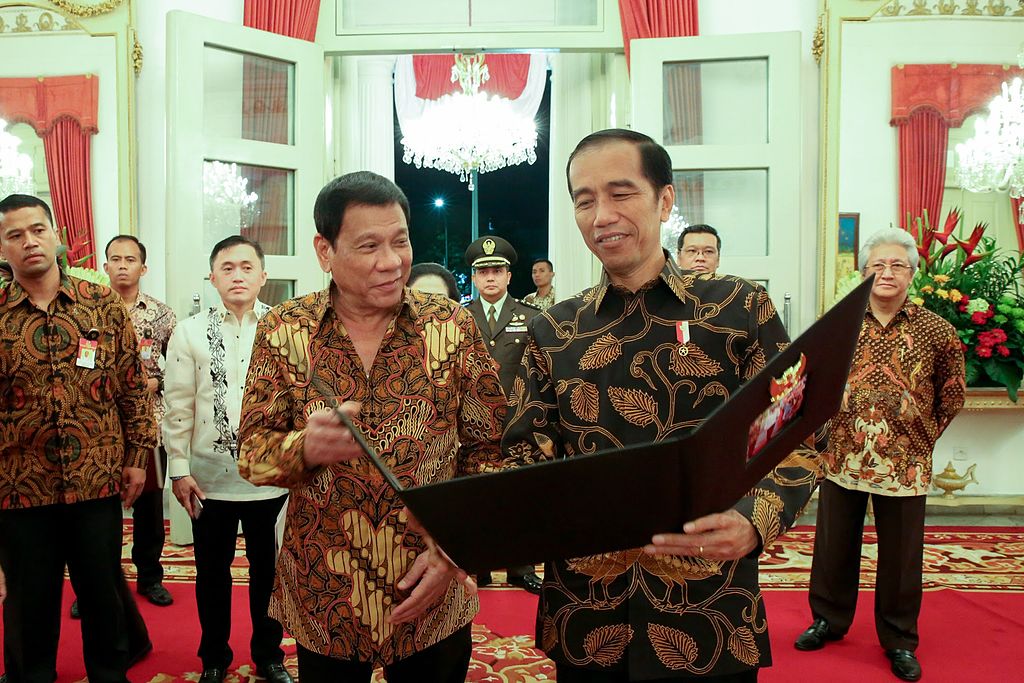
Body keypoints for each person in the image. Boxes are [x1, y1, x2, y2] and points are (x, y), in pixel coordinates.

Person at [501, 130, 819, 681]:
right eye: (584, 199)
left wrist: (754, 523)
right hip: (587, 610)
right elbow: (524, 454)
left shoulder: (739, 308)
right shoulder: (552, 329)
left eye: (621, 193)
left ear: (665, 200)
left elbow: (798, 432)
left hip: (709, 605)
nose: (602, 215)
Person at [237, 171, 507, 683]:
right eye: (368, 246)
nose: (392, 261)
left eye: (400, 241)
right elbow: (251, 453)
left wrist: (454, 550)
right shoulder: (285, 330)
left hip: (431, 582)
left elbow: (490, 449)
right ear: (325, 250)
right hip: (326, 590)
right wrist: (304, 447)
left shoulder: (449, 324)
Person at [794, 228, 965, 682]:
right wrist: (823, 437)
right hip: (844, 455)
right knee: (833, 546)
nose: (887, 273)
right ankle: (828, 620)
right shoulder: (839, 323)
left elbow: (952, 393)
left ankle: (899, 639)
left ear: (912, 272)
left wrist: (923, 438)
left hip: (904, 463)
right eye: (878, 266)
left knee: (901, 556)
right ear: (864, 271)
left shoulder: (937, 330)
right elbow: (810, 380)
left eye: (897, 266)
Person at [0, 194, 156, 683]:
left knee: (101, 593)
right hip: (20, 486)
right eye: (15, 235)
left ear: (55, 234)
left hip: (97, 480)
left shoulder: (100, 302)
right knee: (30, 600)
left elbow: (131, 383)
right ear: (2, 247)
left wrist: (138, 456)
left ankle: (110, 674)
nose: (29, 242)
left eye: (37, 230)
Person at [163, 236, 292, 683]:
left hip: (270, 477)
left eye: (246, 267)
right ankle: (214, 657)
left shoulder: (285, 328)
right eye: (227, 267)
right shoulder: (188, 331)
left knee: (268, 574)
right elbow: (177, 406)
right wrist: (178, 469)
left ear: (262, 275)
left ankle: (268, 654)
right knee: (211, 573)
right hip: (208, 479)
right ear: (213, 276)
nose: (237, 275)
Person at [464, 236, 543, 594]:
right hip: (471, 423)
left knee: (517, 495)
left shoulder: (531, 318)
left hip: (517, 418)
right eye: (483, 272)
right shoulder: (460, 317)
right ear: (474, 278)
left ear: (509, 276)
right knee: (476, 496)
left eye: (497, 271)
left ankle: (519, 566)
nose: (490, 278)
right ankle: (476, 564)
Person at [103, 235, 177, 607]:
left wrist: (156, 381)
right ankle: (99, 583)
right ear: (105, 267)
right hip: (100, 423)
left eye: (129, 259)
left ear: (143, 268)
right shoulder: (89, 311)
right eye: (115, 259)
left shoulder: (161, 315)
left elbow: (179, 368)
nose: (122, 265)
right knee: (100, 508)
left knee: (148, 505)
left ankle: (150, 577)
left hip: (148, 421)